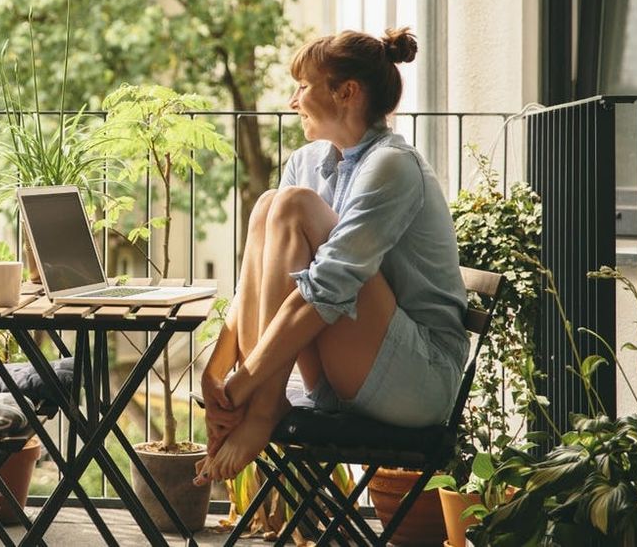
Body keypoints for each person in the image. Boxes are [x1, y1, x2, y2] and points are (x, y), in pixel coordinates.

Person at [193, 28, 469, 486]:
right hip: (348, 370)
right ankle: (263, 400)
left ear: (347, 92)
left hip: (417, 381)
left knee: (293, 206)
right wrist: (217, 374)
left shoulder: (392, 165)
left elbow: (326, 290)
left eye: (303, 87)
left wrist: (243, 394)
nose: (292, 100)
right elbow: (260, 283)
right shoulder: (307, 162)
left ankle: (264, 408)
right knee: (269, 205)